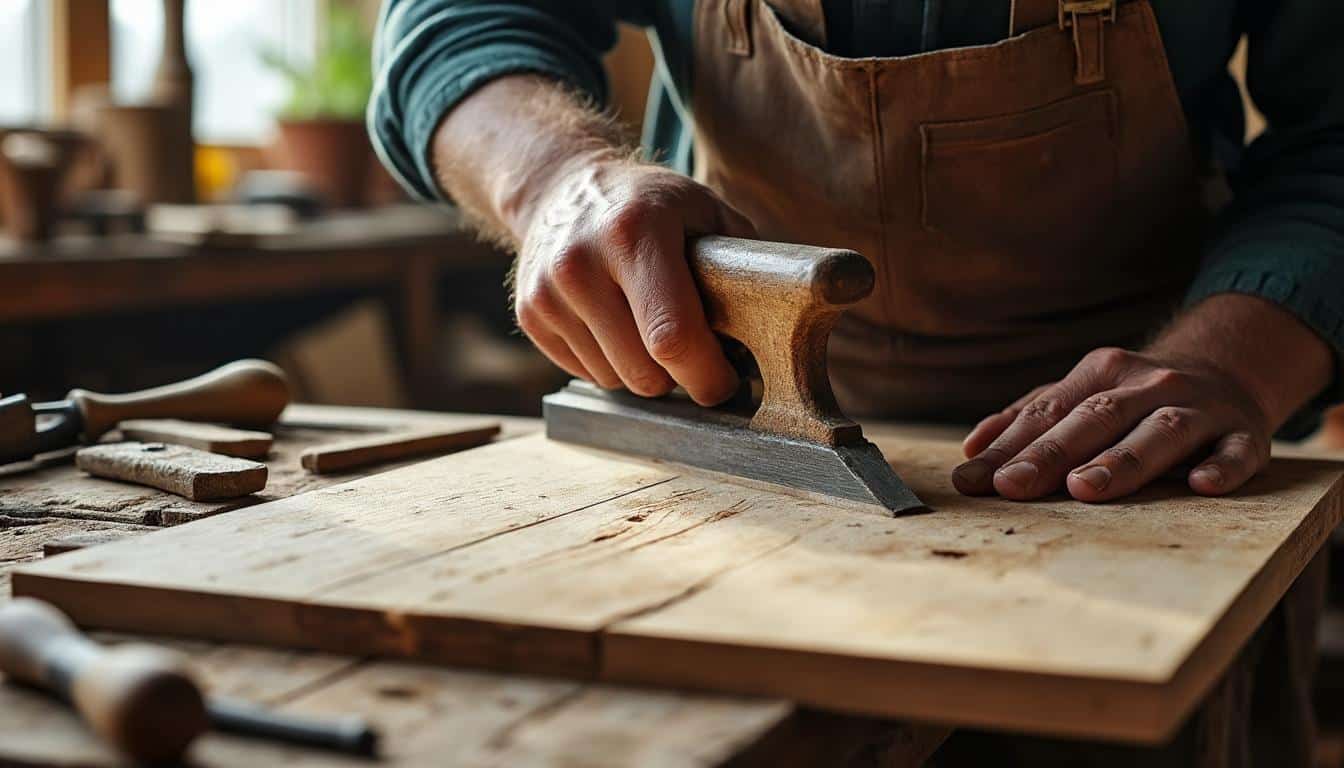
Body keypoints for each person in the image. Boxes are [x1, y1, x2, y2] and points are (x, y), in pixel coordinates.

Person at [369, 1, 1343, 764]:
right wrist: (550, 177)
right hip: (733, 466)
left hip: (1146, 479)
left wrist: (1230, 362)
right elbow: (457, 18)